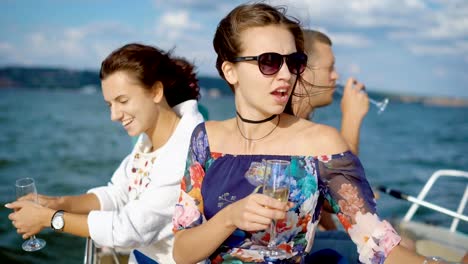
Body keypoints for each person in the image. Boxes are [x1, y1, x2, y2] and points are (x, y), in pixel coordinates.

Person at [171, 3, 429, 264]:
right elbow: (182, 252)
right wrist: (229, 218)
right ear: (230, 71)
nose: (286, 75)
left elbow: (376, 243)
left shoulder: (321, 143)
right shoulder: (205, 138)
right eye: (269, 62)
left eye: (294, 62)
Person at [6, 43, 204, 263]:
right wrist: (58, 202)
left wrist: (50, 219)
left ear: (156, 91)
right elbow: (119, 194)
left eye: (122, 101)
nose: (114, 115)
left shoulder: (186, 151)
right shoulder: (149, 139)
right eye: (109, 104)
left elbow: (130, 229)